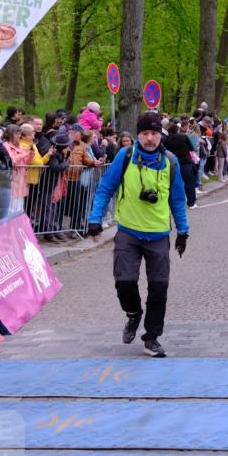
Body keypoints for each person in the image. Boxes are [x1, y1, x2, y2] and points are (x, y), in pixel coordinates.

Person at [87, 112, 188, 358]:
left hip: (158, 234)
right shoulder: (126, 156)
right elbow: (105, 188)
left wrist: (183, 231)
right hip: (128, 232)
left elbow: (177, 199)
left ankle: (151, 337)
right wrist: (95, 219)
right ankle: (133, 314)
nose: (150, 138)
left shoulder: (170, 161)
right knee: (124, 282)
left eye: (154, 133)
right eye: (145, 133)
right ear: (138, 135)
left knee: (159, 287)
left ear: (160, 135)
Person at [164, 122, 197, 208]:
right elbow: (191, 148)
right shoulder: (183, 136)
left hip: (173, 163)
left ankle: (174, 203)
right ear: (177, 130)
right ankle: (191, 203)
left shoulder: (167, 139)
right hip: (185, 162)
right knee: (189, 183)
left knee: (174, 184)